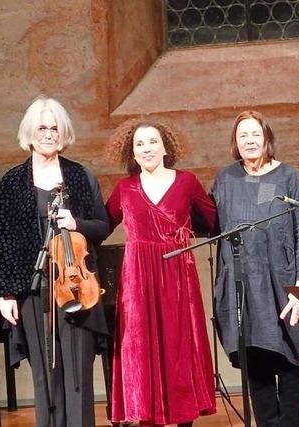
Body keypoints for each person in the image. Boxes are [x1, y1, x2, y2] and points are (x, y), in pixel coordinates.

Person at [0, 96, 110, 427]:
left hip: (76, 286)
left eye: (55, 128)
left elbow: (102, 226)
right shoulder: (12, 183)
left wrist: (76, 224)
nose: (48, 133)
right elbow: (5, 243)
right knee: (45, 377)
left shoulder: (80, 175)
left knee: (78, 377)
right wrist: (7, 294)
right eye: (42, 127)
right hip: (33, 290)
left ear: (63, 132)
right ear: (30, 131)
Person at [211, 110, 299, 426]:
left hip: (285, 284)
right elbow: (209, 222)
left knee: (290, 361)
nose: (249, 140)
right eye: (242, 135)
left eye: (255, 134)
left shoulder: (288, 176)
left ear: (267, 138)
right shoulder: (226, 179)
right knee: (256, 363)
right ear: (235, 142)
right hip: (243, 288)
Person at [105, 120, 217, 426]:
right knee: (142, 349)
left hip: (177, 274)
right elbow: (101, 226)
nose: (147, 148)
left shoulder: (187, 182)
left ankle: (184, 419)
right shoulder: (124, 188)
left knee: (179, 349)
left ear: (165, 147)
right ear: (133, 153)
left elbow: (212, 222)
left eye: (152, 141)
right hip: (138, 280)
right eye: (140, 144)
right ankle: (146, 416)